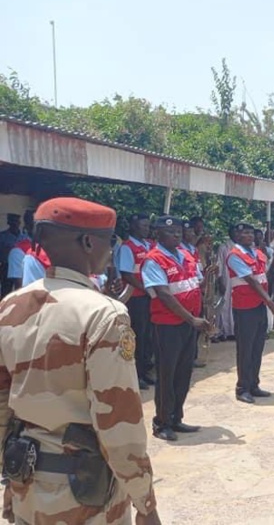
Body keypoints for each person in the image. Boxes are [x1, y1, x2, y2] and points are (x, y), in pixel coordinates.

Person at [0, 197, 160, 524]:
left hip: (25, 482)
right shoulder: (103, 314)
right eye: (109, 241)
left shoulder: (10, 307)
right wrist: (144, 501)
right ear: (88, 242)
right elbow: (118, 421)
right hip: (84, 492)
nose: (110, 250)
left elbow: (3, 401)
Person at [141, 216, 209, 442]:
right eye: (171, 232)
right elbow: (164, 294)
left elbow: (195, 283)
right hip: (168, 326)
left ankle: (176, 417)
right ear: (157, 234)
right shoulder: (154, 259)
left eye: (179, 231)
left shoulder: (186, 255)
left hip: (188, 323)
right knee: (166, 375)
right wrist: (192, 319)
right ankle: (161, 423)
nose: (177, 236)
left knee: (183, 372)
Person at [227, 222, 274, 404]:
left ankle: (254, 384)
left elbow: (263, 277)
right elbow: (251, 281)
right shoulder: (235, 255)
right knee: (245, 349)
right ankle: (242, 388)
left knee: (257, 347)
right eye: (245, 233)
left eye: (251, 233)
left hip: (258, 305)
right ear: (237, 236)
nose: (249, 236)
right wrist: (269, 300)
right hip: (245, 306)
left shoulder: (257, 253)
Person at [119, 213, 155, 390]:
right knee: (137, 336)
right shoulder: (128, 247)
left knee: (148, 336)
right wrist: (146, 289)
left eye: (148, 226)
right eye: (143, 226)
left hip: (149, 297)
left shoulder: (149, 245)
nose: (146, 229)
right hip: (136, 298)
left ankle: (145, 371)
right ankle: (135, 374)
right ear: (133, 227)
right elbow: (127, 274)